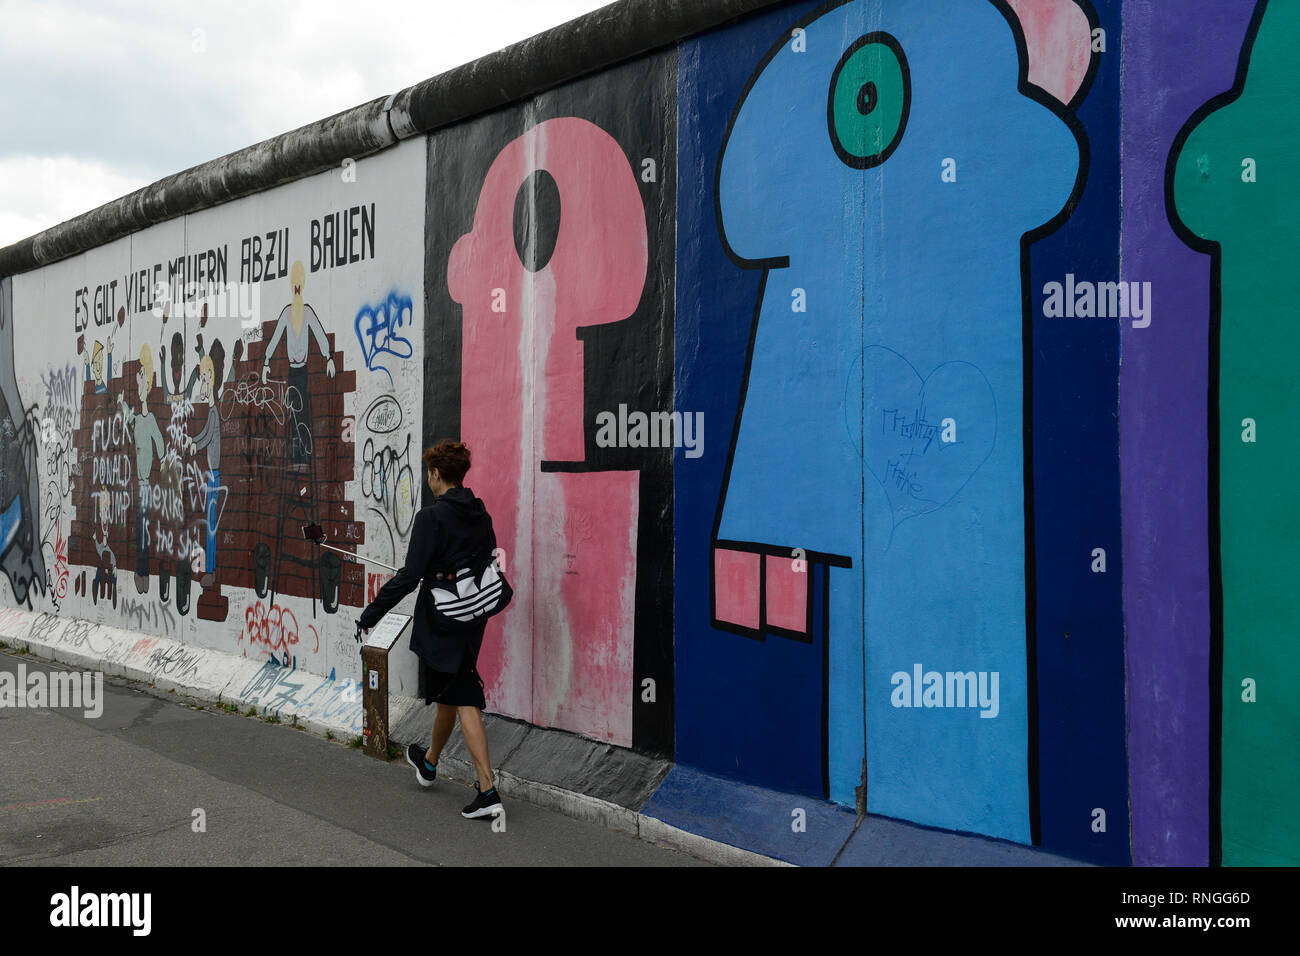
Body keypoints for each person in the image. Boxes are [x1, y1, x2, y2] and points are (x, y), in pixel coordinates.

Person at [357, 439, 503, 820]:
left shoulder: (431, 517)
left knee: (464, 695)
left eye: (429, 473)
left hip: (443, 622)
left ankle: (487, 790)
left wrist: (371, 613)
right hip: (473, 618)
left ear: (436, 474)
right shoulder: (481, 515)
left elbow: (409, 576)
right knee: (449, 693)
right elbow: (487, 560)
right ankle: (430, 762)